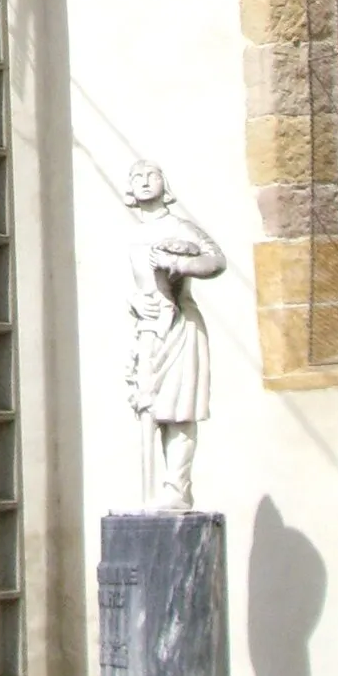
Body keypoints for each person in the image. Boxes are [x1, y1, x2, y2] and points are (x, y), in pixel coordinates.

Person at [122, 161, 225, 511]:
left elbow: (216, 260)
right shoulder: (134, 234)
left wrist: (178, 264)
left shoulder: (180, 227)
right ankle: (153, 491)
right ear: (130, 190)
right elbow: (137, 285)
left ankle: (178, 487)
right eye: (137, 177)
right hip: (149, 329)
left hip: (181, 323)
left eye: (151, 175)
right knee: (150, 408)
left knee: (180, 410)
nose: (144, 181)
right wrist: (134, 300)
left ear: (164, 184)